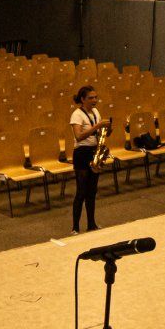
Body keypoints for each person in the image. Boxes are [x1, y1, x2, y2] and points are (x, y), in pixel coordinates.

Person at [69, 84, 104, 234]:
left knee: (92, 191)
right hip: (82, 153)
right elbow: (78, 136)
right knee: (81, 192)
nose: (94, 100)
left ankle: (91, 224)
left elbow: (98, 132)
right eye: (91, 98)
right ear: (83, 99)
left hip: (94, 151)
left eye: (96, 97)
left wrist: (106, 129)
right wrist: (97, 127)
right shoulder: (77, 114)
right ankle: (75, 227)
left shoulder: (96, 112)